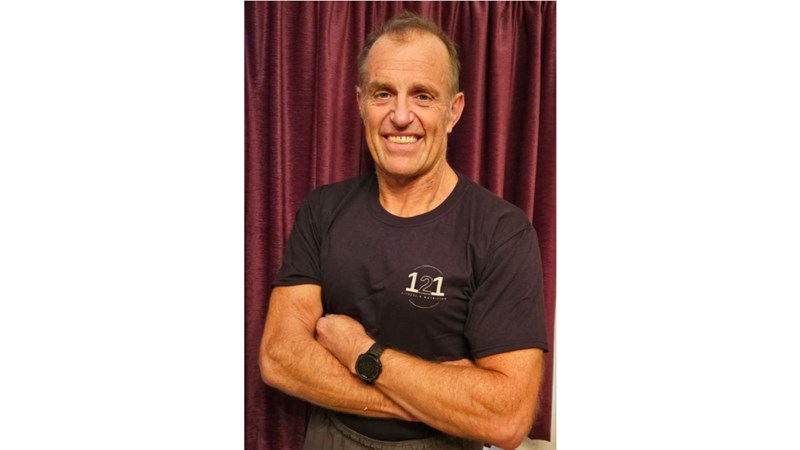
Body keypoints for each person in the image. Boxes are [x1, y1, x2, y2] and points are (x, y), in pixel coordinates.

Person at [259, 11, 548, 450]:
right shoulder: (322, 209)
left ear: (453, 111)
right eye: (383, 94)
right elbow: (280, 357)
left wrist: (361, 352)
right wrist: (438, 396)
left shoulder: (502, 231)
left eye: (423, 96)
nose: (400, 115)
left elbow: (506, 417)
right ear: (361, 103)